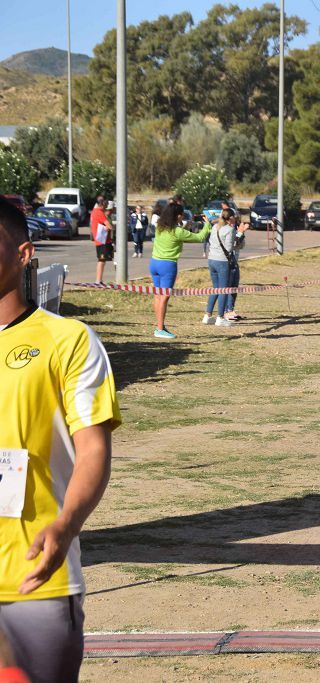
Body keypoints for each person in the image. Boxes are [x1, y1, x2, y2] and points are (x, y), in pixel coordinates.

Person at [0, 199, 120, 683]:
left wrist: (67, 524)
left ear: (24, 253)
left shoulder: (68, 340)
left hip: (32, 581)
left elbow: (92, 449)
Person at [149, 203, 211, 339]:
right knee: (165, 297)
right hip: (167, 265)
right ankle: (160, 329)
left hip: (154, 263)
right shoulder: (178, 232)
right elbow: (200, 237)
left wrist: (184, 226)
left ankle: (159, 325)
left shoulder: (160, 227)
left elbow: (175, 234)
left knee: (157, 295)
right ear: (178, 216)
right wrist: (207, 225)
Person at [204, 209, 249, 327]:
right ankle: (220, 317)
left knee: (215, 288)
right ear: (230, 218)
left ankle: (207, 315)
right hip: (222, 262)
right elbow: (230, 248)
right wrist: (239, 234)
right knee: (224, 289)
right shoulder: (229, 230)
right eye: (234, 217)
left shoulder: (215, 227)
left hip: (212, 260)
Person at [223, 219, 247, 321]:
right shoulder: (225, 231)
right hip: (226, 263)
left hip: (234, 263)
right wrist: (240, 233)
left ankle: (230, 310)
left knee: (234, 288)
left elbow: (241, 246)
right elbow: (230, 246)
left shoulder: (235, 233)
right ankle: (224, 312)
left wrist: (241, 234)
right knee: (226, 288)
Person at [89, 196, 112, 283]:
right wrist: (108, 226)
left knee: (102, 260)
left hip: (100, 239)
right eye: (106, 204)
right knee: (101, 260)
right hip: (102, 240)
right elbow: (109, 225)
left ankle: (99, 279)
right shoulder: (99, 212)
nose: (106, 206)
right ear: (102, 204)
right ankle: (98, 280)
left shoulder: (94, 211)